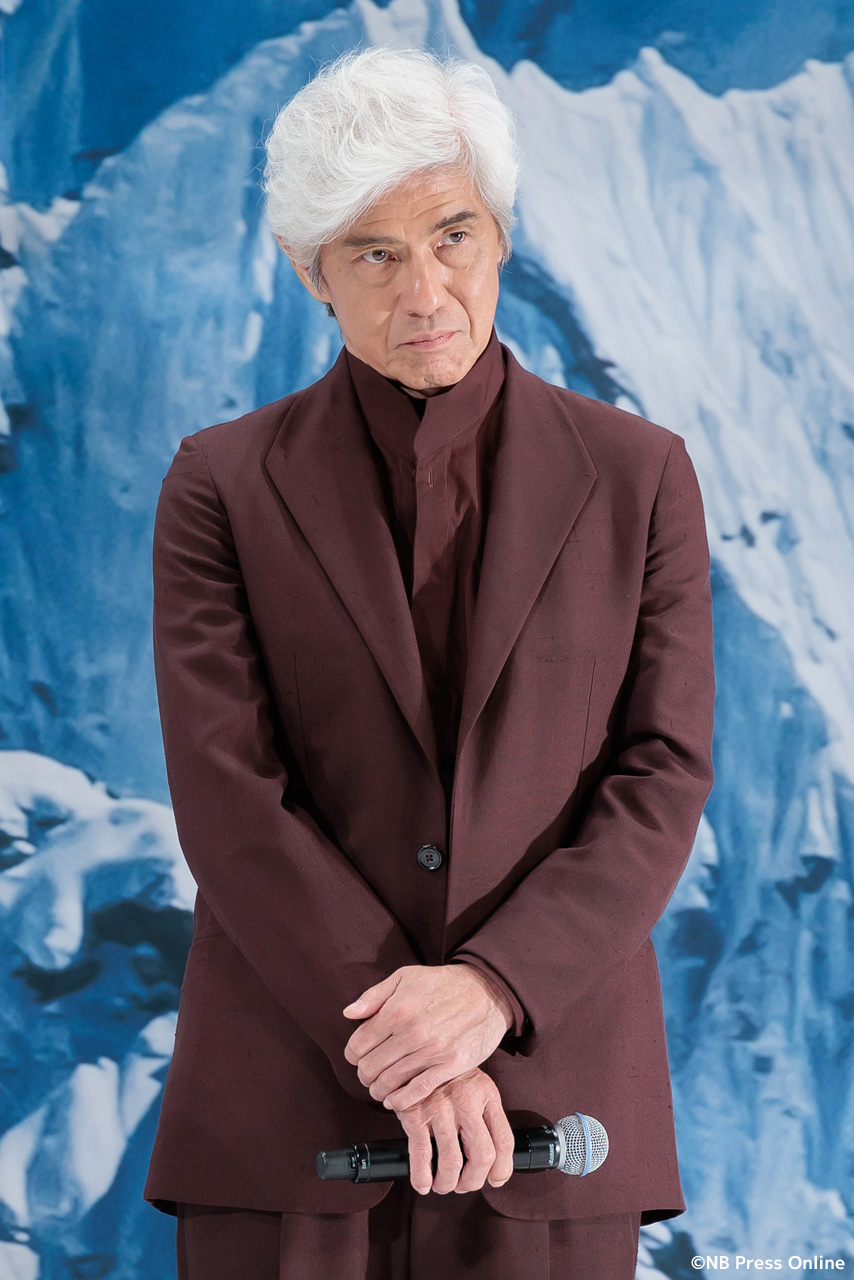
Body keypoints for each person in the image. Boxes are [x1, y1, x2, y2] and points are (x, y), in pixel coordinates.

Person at [142, 45, 715, 1280]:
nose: (425, 293)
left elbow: (661, 772)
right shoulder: (219, 486)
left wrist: (494, 987)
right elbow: (227, 793)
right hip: (287, 1123)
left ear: (499, 234)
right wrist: (412, 1041)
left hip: (554, 1113)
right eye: (373, 254)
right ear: (308, 271)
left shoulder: (641, 476)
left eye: (452, 236)